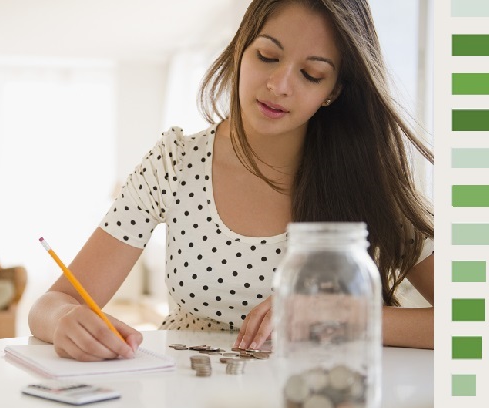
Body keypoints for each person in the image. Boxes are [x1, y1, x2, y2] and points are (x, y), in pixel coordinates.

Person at [28, 0, 434, 362]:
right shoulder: (173, 163)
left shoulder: (369, 180)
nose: (279, 86)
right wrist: (66, 319)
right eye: (267, 56)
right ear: (241, 48)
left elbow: (474, 318)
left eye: (311, 74)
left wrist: (333, 313)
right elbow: (52, 303)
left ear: (334, 90)